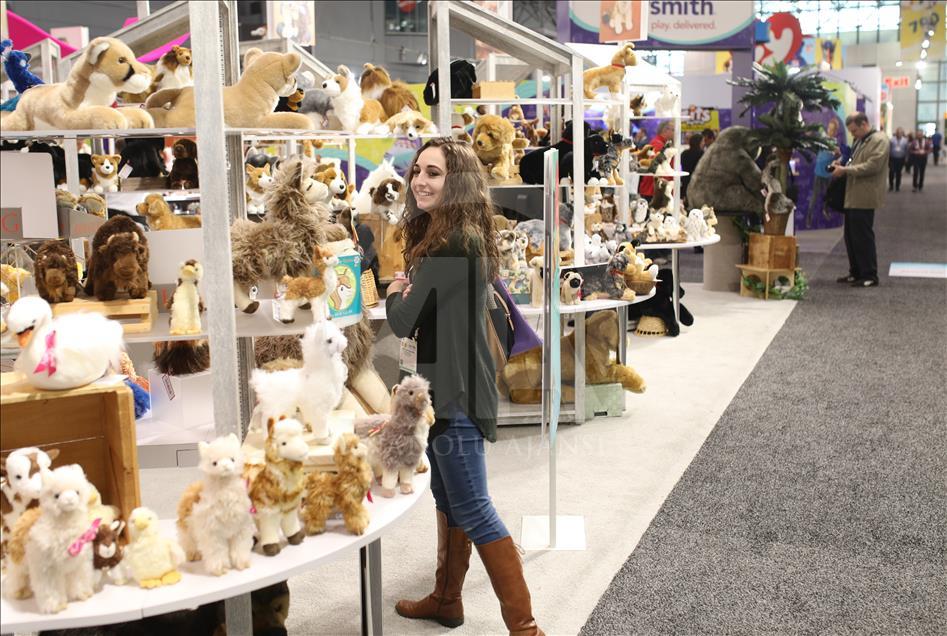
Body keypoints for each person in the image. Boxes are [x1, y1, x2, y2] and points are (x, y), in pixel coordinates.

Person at [387, 138, 542, 636]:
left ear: (457, 182)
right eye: (418, 171)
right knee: (448, 496)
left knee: (473, 507)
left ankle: (526, 629)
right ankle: (446, 599)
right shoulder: (452, 234)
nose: (420, 181)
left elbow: (402, 320)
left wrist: (394, 291)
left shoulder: (452, 243)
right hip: (444, 388)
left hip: (455, 394)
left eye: (434, 173)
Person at [830, 112, 888, 288]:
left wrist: (845, 170)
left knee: (863, 237)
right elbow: (853, 160)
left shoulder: (879, 140)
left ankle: (869, 275)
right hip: (852, 195)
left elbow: (873, 166)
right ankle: (855, 272)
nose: (852, 134)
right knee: (851, 237)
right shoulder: (860, 140)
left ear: (864, 124)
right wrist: (841, 163)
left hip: (865, 196)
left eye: (854, 130)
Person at [809, 118, 842, 225]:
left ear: (836, 131)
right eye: (829, 129)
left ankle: (825, 210)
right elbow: (816, 132)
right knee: (815, 195)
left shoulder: (835, 143)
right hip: (819, 172)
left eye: (833, 130)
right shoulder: (823, 138)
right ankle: (810, 215)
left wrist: (838, 154)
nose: (830, 131)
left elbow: (838, 155)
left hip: (828, 173)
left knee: (828, 194)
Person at [638, 120, 674, 200]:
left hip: (654, 188)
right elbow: (657, 167)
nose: (674, 133)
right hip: (654, 189)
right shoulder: (658, 144)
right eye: (673, 130)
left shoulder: (659, 143)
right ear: (665, 130)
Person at [679, 132, 703, 202]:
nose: (703, 143)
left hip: (685, 181)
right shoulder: (701, 154)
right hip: (696, 182)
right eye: (702, 141)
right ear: (699, 142)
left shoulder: (684, 153)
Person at [888, 127, 908, 192]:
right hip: (892, 158)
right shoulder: (892, 140)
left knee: (898, 173)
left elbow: (907, 150)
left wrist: (906, 158)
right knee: (891, 172)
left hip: (901, 159)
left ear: (902, 133)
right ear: (896, 133)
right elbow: (889, 149)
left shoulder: (905, 140)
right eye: (898, 133)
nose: (899, 134)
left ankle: (897, 186)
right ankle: (891, 186)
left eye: (900, 133)